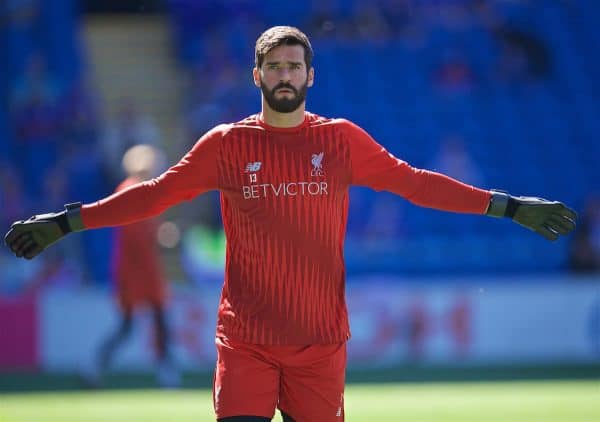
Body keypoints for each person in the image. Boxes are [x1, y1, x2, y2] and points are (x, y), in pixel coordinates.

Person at [4, 26, 577, 422]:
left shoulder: (341, 140)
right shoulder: (226, 145)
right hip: (246, 343)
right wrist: (66, 222)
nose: (284, 74)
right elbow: (153, 196)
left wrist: (509, 205)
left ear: (310, 75)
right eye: (274, 65)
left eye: (294, 66)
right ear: (256, 74)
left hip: (320, 347)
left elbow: (418, 183)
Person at [82, 144, 179, 389]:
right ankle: (97, 365)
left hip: (141, 268)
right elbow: (135, 232)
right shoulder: (131, 189)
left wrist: (159, 234)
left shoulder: (146, 190)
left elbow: (145, 229)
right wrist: (158, 237)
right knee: (134, 325)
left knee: (151, 323)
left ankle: (164, 370)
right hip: (135, 268)